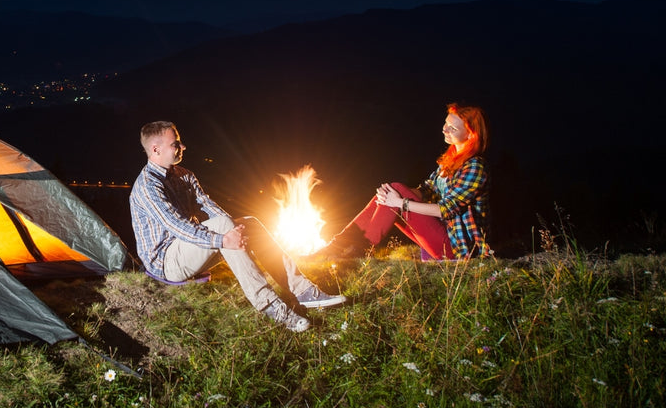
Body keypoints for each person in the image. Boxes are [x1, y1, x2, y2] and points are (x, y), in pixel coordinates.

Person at [129, 120, 346, 332]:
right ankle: (270, 305)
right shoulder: (148, 186)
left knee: (250, 223)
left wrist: (235, 230)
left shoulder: (184, 175)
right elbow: (178, 227)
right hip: (167, 262)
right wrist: (223, 239)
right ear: (155, 149)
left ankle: (302, 291)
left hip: (189, 248)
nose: (183, 147)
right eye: (175, 144)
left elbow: (209, 207)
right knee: (224, 227)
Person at [314, 103, 492, 261]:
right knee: (393, 191)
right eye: (446, 123)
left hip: (457, 247)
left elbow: (447, 209)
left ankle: (359, 249)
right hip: (440, 239)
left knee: (396, 194)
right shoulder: (450, 161)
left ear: (470, 135)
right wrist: (391, 195)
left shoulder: (475, 167)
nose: (445, 129)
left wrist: (400, 202)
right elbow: (426, 190)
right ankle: (338, 245)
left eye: (453, 128)